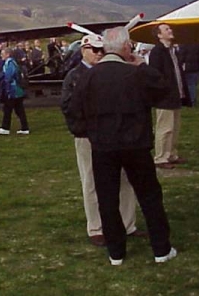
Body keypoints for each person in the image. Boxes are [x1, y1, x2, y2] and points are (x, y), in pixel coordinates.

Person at [71, 27, 176, 265]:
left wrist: (87, 132)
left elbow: (74, 109)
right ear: (126, 47)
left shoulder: (89, 76)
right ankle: (161, 249)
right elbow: (164, 89)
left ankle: (116, 252)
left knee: (107, 199)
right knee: (149, 196)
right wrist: (142, 66)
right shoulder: (135, 73)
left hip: (103, 146)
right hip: (135, 144)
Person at [61, 34, 144, 247]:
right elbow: (69, 108)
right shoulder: (75, 76)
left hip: (115, 135)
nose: (99, 54)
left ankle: (127, 224)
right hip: (89, 136)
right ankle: (97, 227)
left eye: (102, 50)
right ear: (83, 51)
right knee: (91, 180)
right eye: (95, 50)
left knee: (125, 179)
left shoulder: (109, 72)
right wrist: (84, 130)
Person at [148, 23, 191, 169]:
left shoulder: (172, 51)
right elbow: (155, 75)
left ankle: (171, 154)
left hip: (176, 95)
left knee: (175, 127)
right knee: (165, 128)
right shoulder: (157, 52)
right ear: (159, 35)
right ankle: (160, 157)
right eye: (166, 29)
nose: (170, 31)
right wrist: (163, 91)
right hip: (165, 97)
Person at [0, 47, 29, 135]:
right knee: (19, 110)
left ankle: (5, 128)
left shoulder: (9, 63)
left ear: (8, 54)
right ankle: (25, 128)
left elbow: (8, 77)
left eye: (3, 54)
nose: (1, 55)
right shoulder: (13, 62)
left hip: (12, 90)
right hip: (17, 90)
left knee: (7, 109)